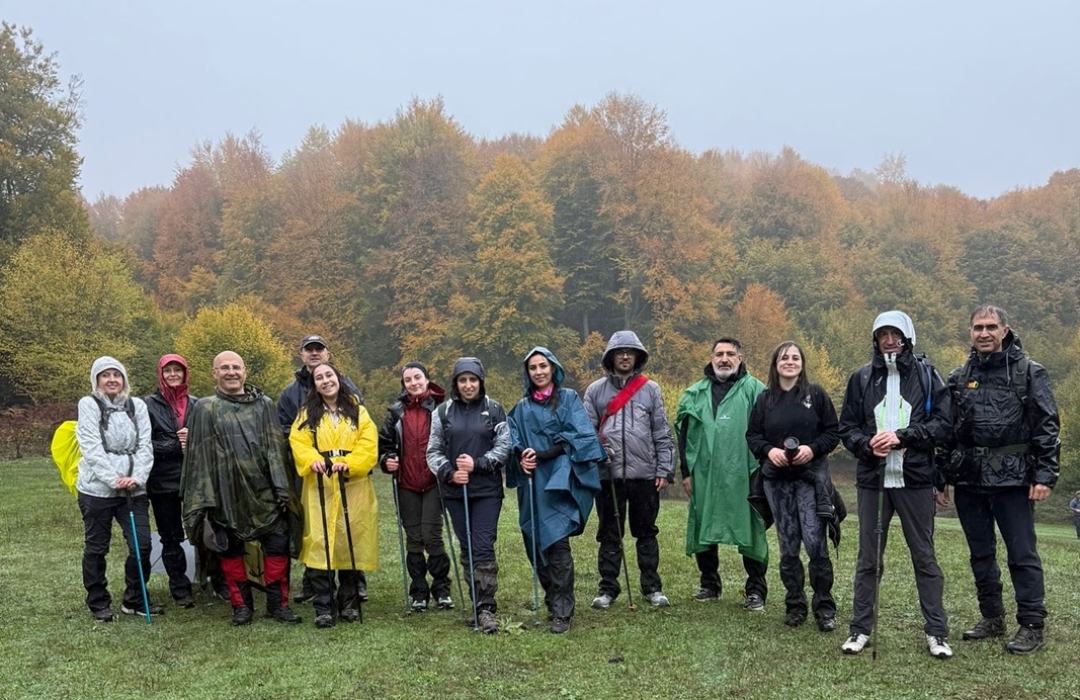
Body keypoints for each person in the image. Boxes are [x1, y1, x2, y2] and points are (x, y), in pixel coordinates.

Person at [941, 305, 1060, 654]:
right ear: (970, 332)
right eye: (978, 327)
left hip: (1014, 480)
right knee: (981, 554)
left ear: (1005, 330)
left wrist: (1045, 474)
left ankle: (1032, 624)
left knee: (1022, 554)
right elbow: (946, 433)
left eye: (991, 327)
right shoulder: (958, 377)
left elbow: (1047, 425)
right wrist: (940, 478)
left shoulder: (1030, 373)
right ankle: (992, 617)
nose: (984, 333)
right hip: (969, 479)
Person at [837, 310, 953, 658]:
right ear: (875, 339)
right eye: (882, 334)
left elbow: (943, 425)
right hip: (873, 482)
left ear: (908, 337)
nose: (889, 339)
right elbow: (847, 428)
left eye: (895, 333)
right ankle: (859, 629)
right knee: (869, 559)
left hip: (915, 480)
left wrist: (903, 437)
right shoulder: (860, 379)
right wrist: (865, 444)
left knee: (924, 556)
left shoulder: (929, 377)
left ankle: (937, 633)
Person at [182, 351, 303, 626]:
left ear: (245, 372)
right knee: (230, 550)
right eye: (224, 368)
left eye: (236, 367)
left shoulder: (264, 406)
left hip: (265, 495)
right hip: (225, 496)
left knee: (277, 547)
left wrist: (281, 489)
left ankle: (278, 605)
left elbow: (276, 449)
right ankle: (241, 607)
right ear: (214, 373)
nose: (231, 372)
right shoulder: (205, 408)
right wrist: (205, 497)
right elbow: (198, 458)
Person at [508, 347, 605, 634]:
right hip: (532, 483)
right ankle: (552, 598)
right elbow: (511, 436)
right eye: (532, 368)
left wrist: (548, 451)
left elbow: (582, 436)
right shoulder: (521, 408)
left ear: (553, 368)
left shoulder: (569, 399)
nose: (538, 372)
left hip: (560, 481)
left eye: (543, 366)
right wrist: (520, 454)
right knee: (534, 539)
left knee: (557, 543)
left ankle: (563, 609)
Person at [745, 341, 840, 631]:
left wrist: (812, 449)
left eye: (795, 357)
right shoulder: (764, 400)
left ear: (802, 363)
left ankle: (824, 607)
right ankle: (795, 604)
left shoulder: (817, 395)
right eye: (784, 357)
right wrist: (767, 451)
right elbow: (753, 435)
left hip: (811, 479)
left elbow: (833, 432)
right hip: (777, 481)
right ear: (775, 364)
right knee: (788, 545)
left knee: (815, 543)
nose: (789, 361)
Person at [583, 331, 675, 611]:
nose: (624, 356)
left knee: (646, 532)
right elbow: (586, 433)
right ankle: (608, 589)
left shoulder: (651, 389)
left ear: (637, 356)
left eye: (629, 352)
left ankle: (652, 588)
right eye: (619, 352)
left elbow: (661, 432)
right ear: (610, 356)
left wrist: (665, 468)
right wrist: (600, 454)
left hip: (644, 475)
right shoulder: (595, 390)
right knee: (609, 534)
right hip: (608, 476)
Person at [676, 338, 769, 611]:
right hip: (703, 472)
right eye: (719, 354)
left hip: (746, 472)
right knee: (704, 523)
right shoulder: (695, 392)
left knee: (751, 526)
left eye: (730, 354)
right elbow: (683, 434)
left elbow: (769, 430)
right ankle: (709, 584)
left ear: (740, 358)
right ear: (711, 357)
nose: (724, 359)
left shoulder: (756, 390)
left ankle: (755, 590)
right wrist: (686, 471)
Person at [277, 334, 366, 605]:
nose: (314, 354)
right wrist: (309, 452)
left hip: (343, 472)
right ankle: (313, 580)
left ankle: (354, 582)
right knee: (312, 527)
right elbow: (282, 428)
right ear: (302, 355)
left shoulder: (347, 385)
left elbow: (359, 424)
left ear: (327, 354)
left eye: (319, 349)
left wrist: (346, 459)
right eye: (309, 350)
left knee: (346, 524)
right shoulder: (290, 393)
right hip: (308, 471)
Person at [290, 362, 378, 628]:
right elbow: (299, 441)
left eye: (329, 375)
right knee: (321, 543)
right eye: (319, 377)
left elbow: (368, 443)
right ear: (314, 384)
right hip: (320, 486)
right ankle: (323, 606)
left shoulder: (357, 411)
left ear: (338, 378)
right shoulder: (307, 413)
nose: (326, 380)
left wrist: (350, 463)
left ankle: (349, 603)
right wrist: (313, 460)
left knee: (349, 541)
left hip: (353, 486)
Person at [426, 357, 510, 634]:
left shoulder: (495, 410)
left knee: (483, 544)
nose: (468, 385)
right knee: (467, 547)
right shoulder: (442, 412)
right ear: (456, 383)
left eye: (473, 379)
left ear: (480, 381)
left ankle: (486, 606)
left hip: (486, 490)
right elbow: (433, 451)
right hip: (455, 491)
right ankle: (476, 602)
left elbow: (504, 447)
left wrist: (478, 464)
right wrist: (450, 472)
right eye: (463, 380)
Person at [75, 356, 159, 622]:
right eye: (105, 375)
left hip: (134, 489)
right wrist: (114, 479)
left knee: (142, 545)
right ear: (96, 380)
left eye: (117, 375)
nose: (112, 380)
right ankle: (98, 601)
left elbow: (146, 444)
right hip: (97, 490)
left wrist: (137, 477)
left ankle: (134, 598)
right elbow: (91, 447)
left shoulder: (138, 406)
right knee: (97, 547)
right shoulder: (88, 405)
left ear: (124, 379)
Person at [377, 362, 453, 612]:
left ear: (427, 379)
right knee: (414, 538)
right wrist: (387, 460)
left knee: (431, 536)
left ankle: (442, 589)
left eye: (417, 377)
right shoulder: (396, 413)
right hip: (407, 483)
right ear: (404, 384)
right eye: (408, 380)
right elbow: (384, 444)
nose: (413, 383)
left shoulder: (442, 410)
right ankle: (419, 591)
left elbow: (452, 441)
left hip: (433, 482)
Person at [143, 354, 197, 608]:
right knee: (171, 535)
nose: (173, 374)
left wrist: (193, 438)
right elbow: (142, 443)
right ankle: (180, 586)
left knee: (207, 530)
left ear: (186, 373)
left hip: (196, 478)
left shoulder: (197, 404)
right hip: (163, 481)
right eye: (168, 370)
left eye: (178, 370)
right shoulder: (148, 405)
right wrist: (176, 444)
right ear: (161, 374)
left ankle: (215, 579)